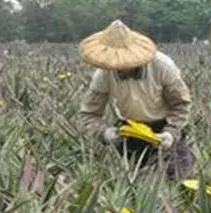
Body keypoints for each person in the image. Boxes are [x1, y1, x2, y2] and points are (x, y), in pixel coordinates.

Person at [77, 19, 194, 180]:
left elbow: (181, 104)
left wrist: (171, 132)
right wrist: (104, 133)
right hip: (129, 130)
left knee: (177, 176)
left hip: (163, 127)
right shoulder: (103, 74)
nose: (118, 66)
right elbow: (89, 114)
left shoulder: (162, 66)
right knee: (129, 180)